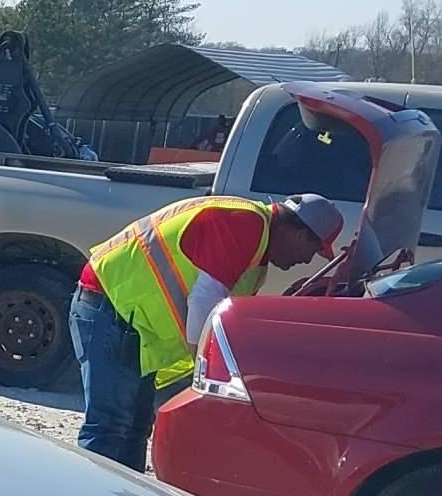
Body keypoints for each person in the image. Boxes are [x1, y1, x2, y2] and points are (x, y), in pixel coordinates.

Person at [71, 191, 347, 470]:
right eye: (313, 250)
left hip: (130, 317)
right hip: (111, 306)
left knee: (134, 427)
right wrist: (206, 368)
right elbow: (204, 299)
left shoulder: (256, 245)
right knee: (110, 427)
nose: (307, 260)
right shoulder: (245, 223)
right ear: (300, 234)